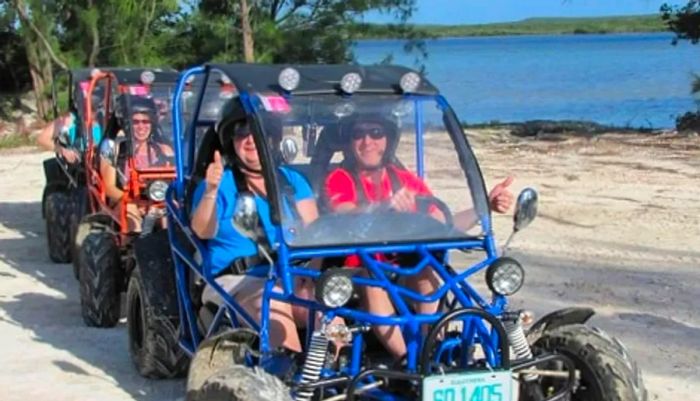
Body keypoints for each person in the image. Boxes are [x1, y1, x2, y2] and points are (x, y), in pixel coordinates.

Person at [324, 114, 515, 360]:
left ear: (388, 140)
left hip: (402, 268)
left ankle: (430, 350)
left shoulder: (406, 181)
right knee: (372, 280)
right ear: (349, 143)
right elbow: (345, 212)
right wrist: (384, 207)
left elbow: (443, 224)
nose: (367, 141)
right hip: (358, 270)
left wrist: (483, 207)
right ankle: (407, 362)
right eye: (358, 134)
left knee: (425, 270)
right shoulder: (340, 178)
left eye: (376, 133)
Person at [190, 117, 320, 355]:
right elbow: (202, 231)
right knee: (274, 300)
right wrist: (210, 191)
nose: (251, 139)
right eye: (242, 133)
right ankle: (287, 375)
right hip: (237, 279)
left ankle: (339, 371)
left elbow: (315, 233)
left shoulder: (291, 181)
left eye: (260, 130)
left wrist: (313, 275)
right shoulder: (220, 183)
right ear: (232, 142)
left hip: (292, 272)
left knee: (329, 302)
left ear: (274, 138)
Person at [100, 97, 174, 232]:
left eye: (146, 121)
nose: (141, 127)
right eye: (135, 122)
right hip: (125, 201)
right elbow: (109, 188)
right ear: (126, 124)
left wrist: (154, 203)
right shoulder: (112, 148)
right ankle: (132, 248)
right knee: (132, 216)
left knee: (169, 215)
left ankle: (171, 247)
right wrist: (136, 202)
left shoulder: (164, 150)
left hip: (156, 200)